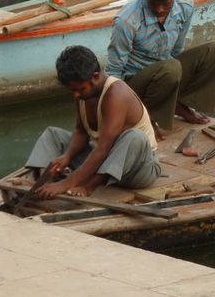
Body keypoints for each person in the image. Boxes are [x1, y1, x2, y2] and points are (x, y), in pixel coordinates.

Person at [106, 0, 215, 139]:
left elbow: (177, 50)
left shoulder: (185, 7)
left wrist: (173, 87)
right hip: (135, 84)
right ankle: (147, 118)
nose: (160, 9)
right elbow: (114, 71)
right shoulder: (126, 21)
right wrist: (116, 112)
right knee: (171, 68)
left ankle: (180, 104)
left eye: (166, 4)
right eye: (154, 3)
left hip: (168, 72)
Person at [27, 45, 161, 198]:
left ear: (95, 76)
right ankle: (41, 180)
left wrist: (67, 183)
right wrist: (68, 156)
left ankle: (89, 186)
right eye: (73, 91)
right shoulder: (83, 95)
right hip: (105, 163)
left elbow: (104, 148)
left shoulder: (116, 93)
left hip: (137, 169)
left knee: (135, 137)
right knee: (53, 135)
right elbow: (81, 132)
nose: (76, 95)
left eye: (80, 89)